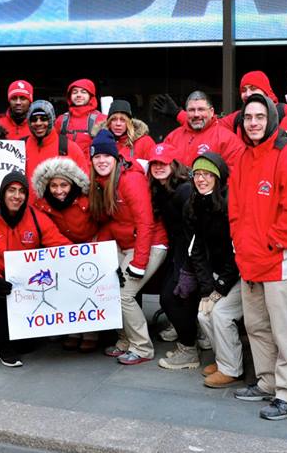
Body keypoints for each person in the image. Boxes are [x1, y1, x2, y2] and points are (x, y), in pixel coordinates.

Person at [229, 93, 287, 421]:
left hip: (280, 260)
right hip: (251, 259)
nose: (253, 123)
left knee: (285, 330)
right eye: (248, 117)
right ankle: (267, 383)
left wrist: (270, 245)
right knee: (257, 326)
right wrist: (242, 245)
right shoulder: (243, 158)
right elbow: (235, 210)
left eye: (259, 117)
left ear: (270, 119)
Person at [0, 171, 70, 367]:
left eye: (22, 191)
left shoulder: (37, 218)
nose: (16, 196)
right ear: (3, 192)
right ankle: (3, 348)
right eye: (11, 190)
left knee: (28, 345)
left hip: (27, 281)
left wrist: (96, 260)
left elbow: (61, 245)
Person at [88, 130, 156, 366]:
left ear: (116, 158)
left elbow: (146, 223)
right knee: (106, 284)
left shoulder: (130, 179)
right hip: (125, 242)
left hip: (150, 243)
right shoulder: (102, 182)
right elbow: (112, 221)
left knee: (124, 294)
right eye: (96, 157)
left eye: (107, 156)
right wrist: (97, 249)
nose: (101, 161)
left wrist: (139, 263)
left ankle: (142, 347)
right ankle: (125, 339)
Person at [185, 152, 243, 388]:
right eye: (197, 174)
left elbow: (236, 252)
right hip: (220, 273)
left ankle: (232, 369)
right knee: (203, 313)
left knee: (221, 314)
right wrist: (208, 288)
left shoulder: (229, 203)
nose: (201, 179)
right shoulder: (195, 203)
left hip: (241, 274)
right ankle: (224, 360)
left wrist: (219, 288)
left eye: (207, 174)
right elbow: (195, 250)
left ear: (218, 177)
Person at [31, 156, 99, 352]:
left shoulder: (87, 201)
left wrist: (96, 246)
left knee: (89, 291)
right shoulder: (42, 206)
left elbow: (103, 222)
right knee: (69, 290)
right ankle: (73, 330)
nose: (59, 191)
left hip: (90, 249)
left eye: (64, 185)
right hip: (63, 251)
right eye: (54, 186)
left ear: (73, 184)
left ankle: (91, 330)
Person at [145, 144, 199, 371]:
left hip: (189, 251)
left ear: (173, 164)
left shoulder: (184, 190)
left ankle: (189, 350)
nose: (159, 167)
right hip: (177, 248)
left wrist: (189, 264)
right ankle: (193, 338)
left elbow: (195, 227)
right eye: (154, 163)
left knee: (171, 299)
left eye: (163, 163)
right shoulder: (161, 188)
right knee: (174, 298)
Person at [155, 71, 282, 134]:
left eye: (253, 89)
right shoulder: (237, 117)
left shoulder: (285, 111)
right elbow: (211, 126)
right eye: (244, 90)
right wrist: (178, 114)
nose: (248, 94)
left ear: (266, 90)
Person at [163, 91, 244, 170]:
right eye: (191, 110)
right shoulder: (172, 138)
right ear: (186, 112)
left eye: (201, 109)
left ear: (211, 112)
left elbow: (234, 174)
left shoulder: (228, 139)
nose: (196, 114)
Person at [25, 100, 88, 182]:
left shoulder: (69, 148)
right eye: (34, 119)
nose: (38, 123)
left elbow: (84, 185)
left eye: (44, 119)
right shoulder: (22, 146)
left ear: (51, 120)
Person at [92, 99, 155, 165]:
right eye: (114, 119)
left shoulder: (145, 142)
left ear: (129, 122)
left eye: (123, 120)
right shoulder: (99, 142)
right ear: (109, 122)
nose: (118, 124)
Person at [56, 79, 106, 156]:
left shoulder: (101, 119)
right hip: (66, 166)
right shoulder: (61, 120)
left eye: (83, 92)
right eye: (75, 92)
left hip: (91, 167)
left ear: (91, 95)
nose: (78, 95)